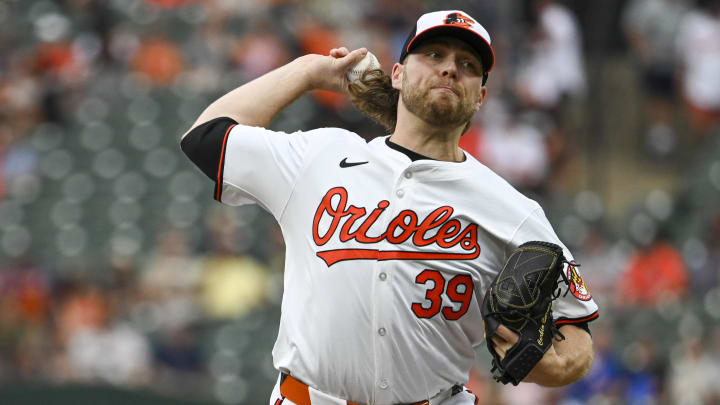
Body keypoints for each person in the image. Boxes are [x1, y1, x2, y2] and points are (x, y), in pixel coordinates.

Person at [180, 10, 599, 405]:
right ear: (397, 74)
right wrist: (308, 71)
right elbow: (205, 137)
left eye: (468, 64)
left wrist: (549, 364)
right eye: (433, 55)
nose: (450, 68)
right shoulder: (320, 155)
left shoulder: (512, 210)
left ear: (481, 96)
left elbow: (576, 335)